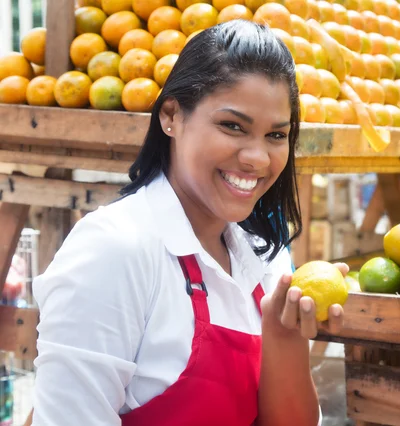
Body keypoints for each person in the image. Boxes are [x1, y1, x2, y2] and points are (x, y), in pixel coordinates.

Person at [30, 19, 346, 426]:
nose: (258, 159)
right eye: (233, 126)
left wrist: (284, 336)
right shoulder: (114, 250)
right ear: (171, 116)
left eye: (276, 135)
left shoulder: (263, 256)